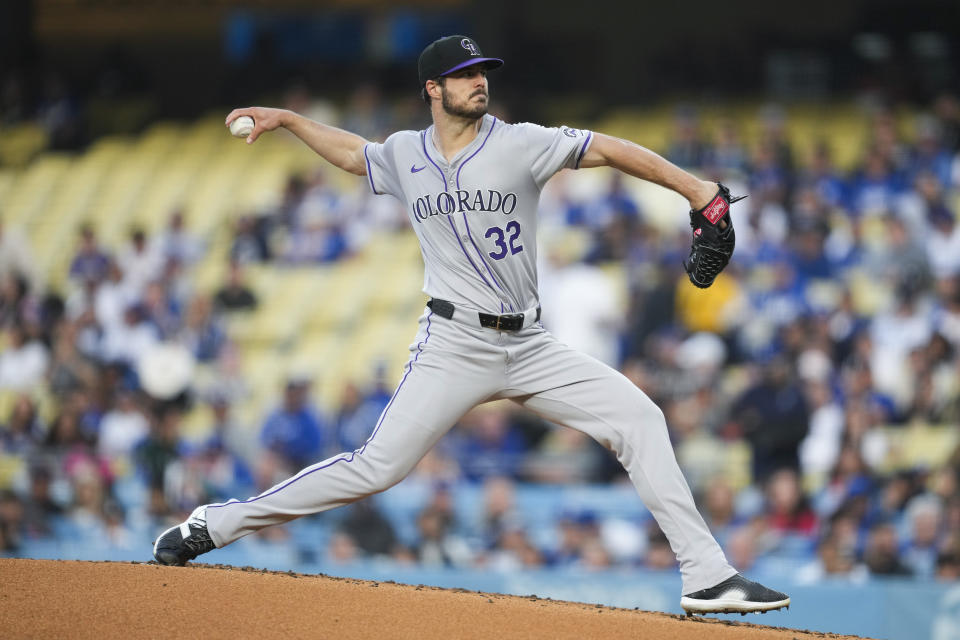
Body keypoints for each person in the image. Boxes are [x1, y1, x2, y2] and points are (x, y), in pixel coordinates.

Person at [154, 34, 789, 615]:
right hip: (453, 342)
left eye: (481, 71)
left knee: (639, 418)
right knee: (376, 468)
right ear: (433, 89)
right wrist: (290, 120)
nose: (477, 81)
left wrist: (697, 189)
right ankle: (217, 524)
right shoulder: (406, 154)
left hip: (531, 343)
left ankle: (706, 576)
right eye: (462, 74)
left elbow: (610, 149)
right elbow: (355, 154)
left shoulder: (519, 142)